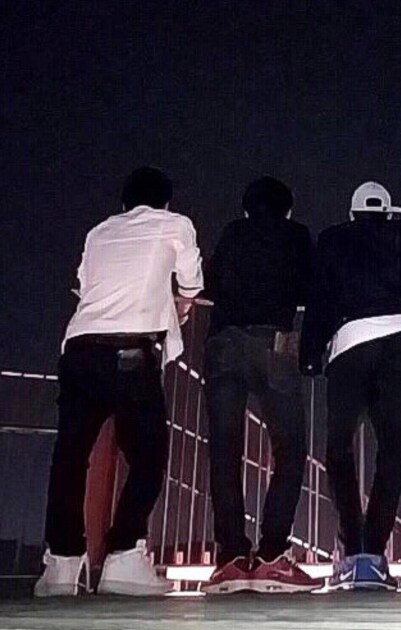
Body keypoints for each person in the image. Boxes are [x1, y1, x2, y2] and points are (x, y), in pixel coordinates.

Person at [34, 167, 204, 597]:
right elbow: (191, 283)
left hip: (79, 348)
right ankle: (124, 556)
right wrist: (181, 309)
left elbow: (85, 285)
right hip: (131, 353)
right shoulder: (175, 224)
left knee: (70, 456)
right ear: (166, 202)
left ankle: (61, 564)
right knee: (148, 455)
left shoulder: (99, 232)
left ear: (124, 202)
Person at [300, 182, 401, 591]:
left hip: (351, 341)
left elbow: (320, 299)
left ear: (353, 213)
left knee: (338, 447)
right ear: (388, 212)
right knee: (393, 449)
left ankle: (352, 546)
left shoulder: (332, 239)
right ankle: (374, 554)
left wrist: (310, 353)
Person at [202, 176, 322, 594]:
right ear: (288, 209)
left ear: (246, 207)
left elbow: (211, 282)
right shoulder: (296, 234)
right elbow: (312, 286)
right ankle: (272, 555)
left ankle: (232, 558)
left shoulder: (232, 232)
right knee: (290, 449)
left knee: (224, 450)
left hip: (223, 344)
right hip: (274, 343)